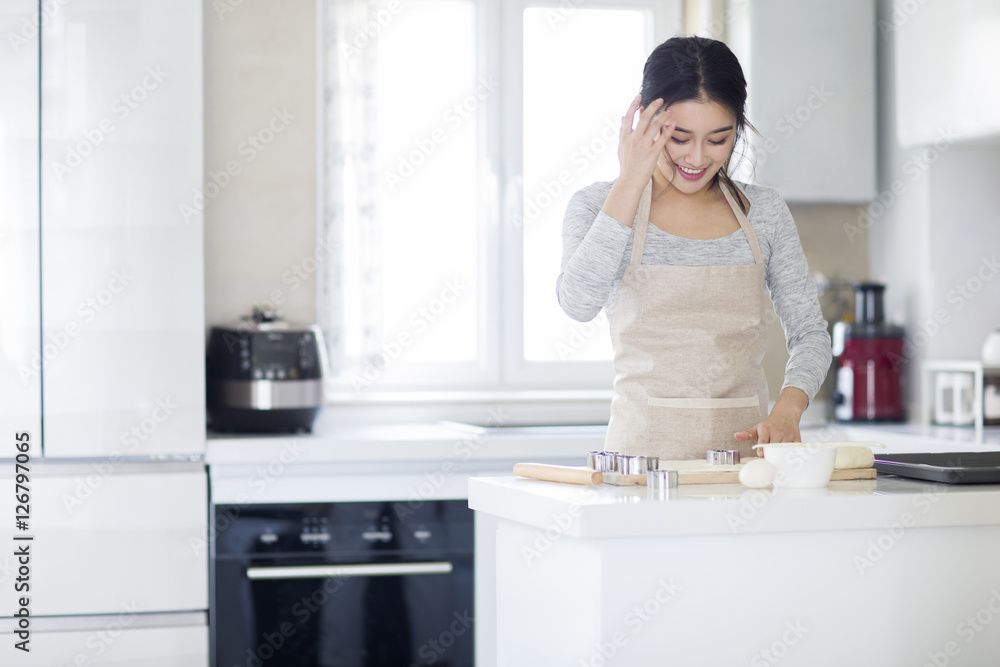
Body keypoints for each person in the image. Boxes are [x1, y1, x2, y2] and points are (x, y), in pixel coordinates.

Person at [557, 35, 832, 461]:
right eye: (679, 138)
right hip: (640, 467)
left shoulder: (764, 212)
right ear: (645, 124)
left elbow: (811, 335)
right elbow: (577, 302)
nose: (697, 158)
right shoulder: (598, 205)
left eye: (718, 140)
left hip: (744, 469)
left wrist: (788, 409)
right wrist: (631, 179)